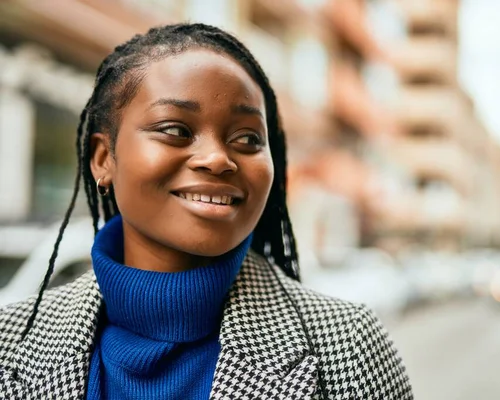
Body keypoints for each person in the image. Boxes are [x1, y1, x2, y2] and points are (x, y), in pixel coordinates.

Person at [0, 23, 413, 399]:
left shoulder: (347, 349)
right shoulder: (10, 343)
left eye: (248, 139)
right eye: (176, 130)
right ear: (104, 158)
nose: (218, 159)